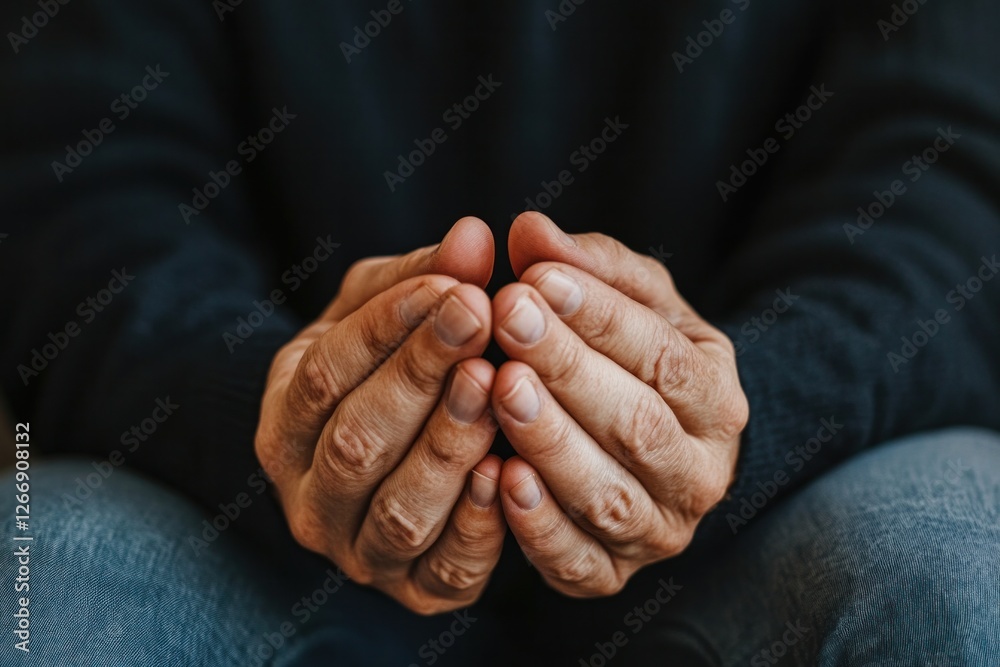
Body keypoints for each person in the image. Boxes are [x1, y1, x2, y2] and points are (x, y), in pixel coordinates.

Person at [1, 0, 999, 665]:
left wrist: (731, 412)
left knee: (961, 572)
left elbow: (952, 179)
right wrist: (285, 414)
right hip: (247, 517)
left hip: (790, 492)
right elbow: (80, 194)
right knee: (41, 575)